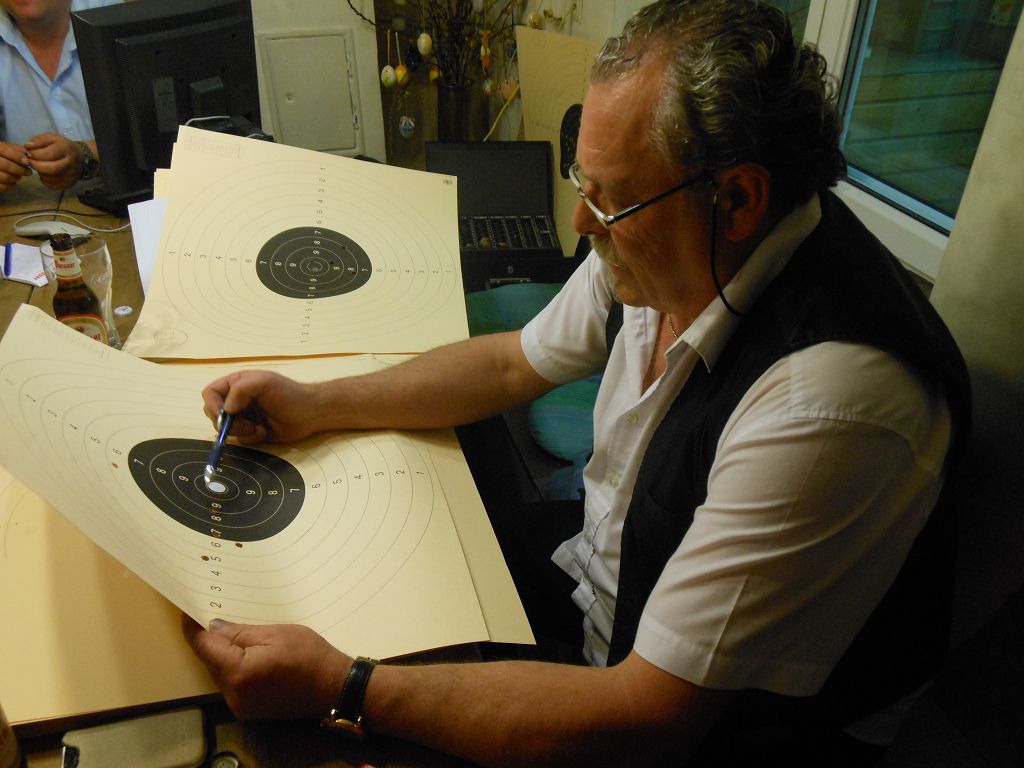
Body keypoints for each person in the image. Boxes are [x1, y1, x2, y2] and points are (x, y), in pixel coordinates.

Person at [184, 1, 971, 765]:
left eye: (610, 198)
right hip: (599, 585)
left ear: (736, 199)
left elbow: (644, 720)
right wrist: (315, 405)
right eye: (580, 181)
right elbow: (508, 363)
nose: (581, 222)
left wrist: (343, 687)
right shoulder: (669, 238)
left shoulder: (830, 405)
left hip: (712, 728)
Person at [0, 0, 119, 194]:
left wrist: (87, 156)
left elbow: (165, 140)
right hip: (28, 207)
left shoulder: (115, 17)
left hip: (130, 205)